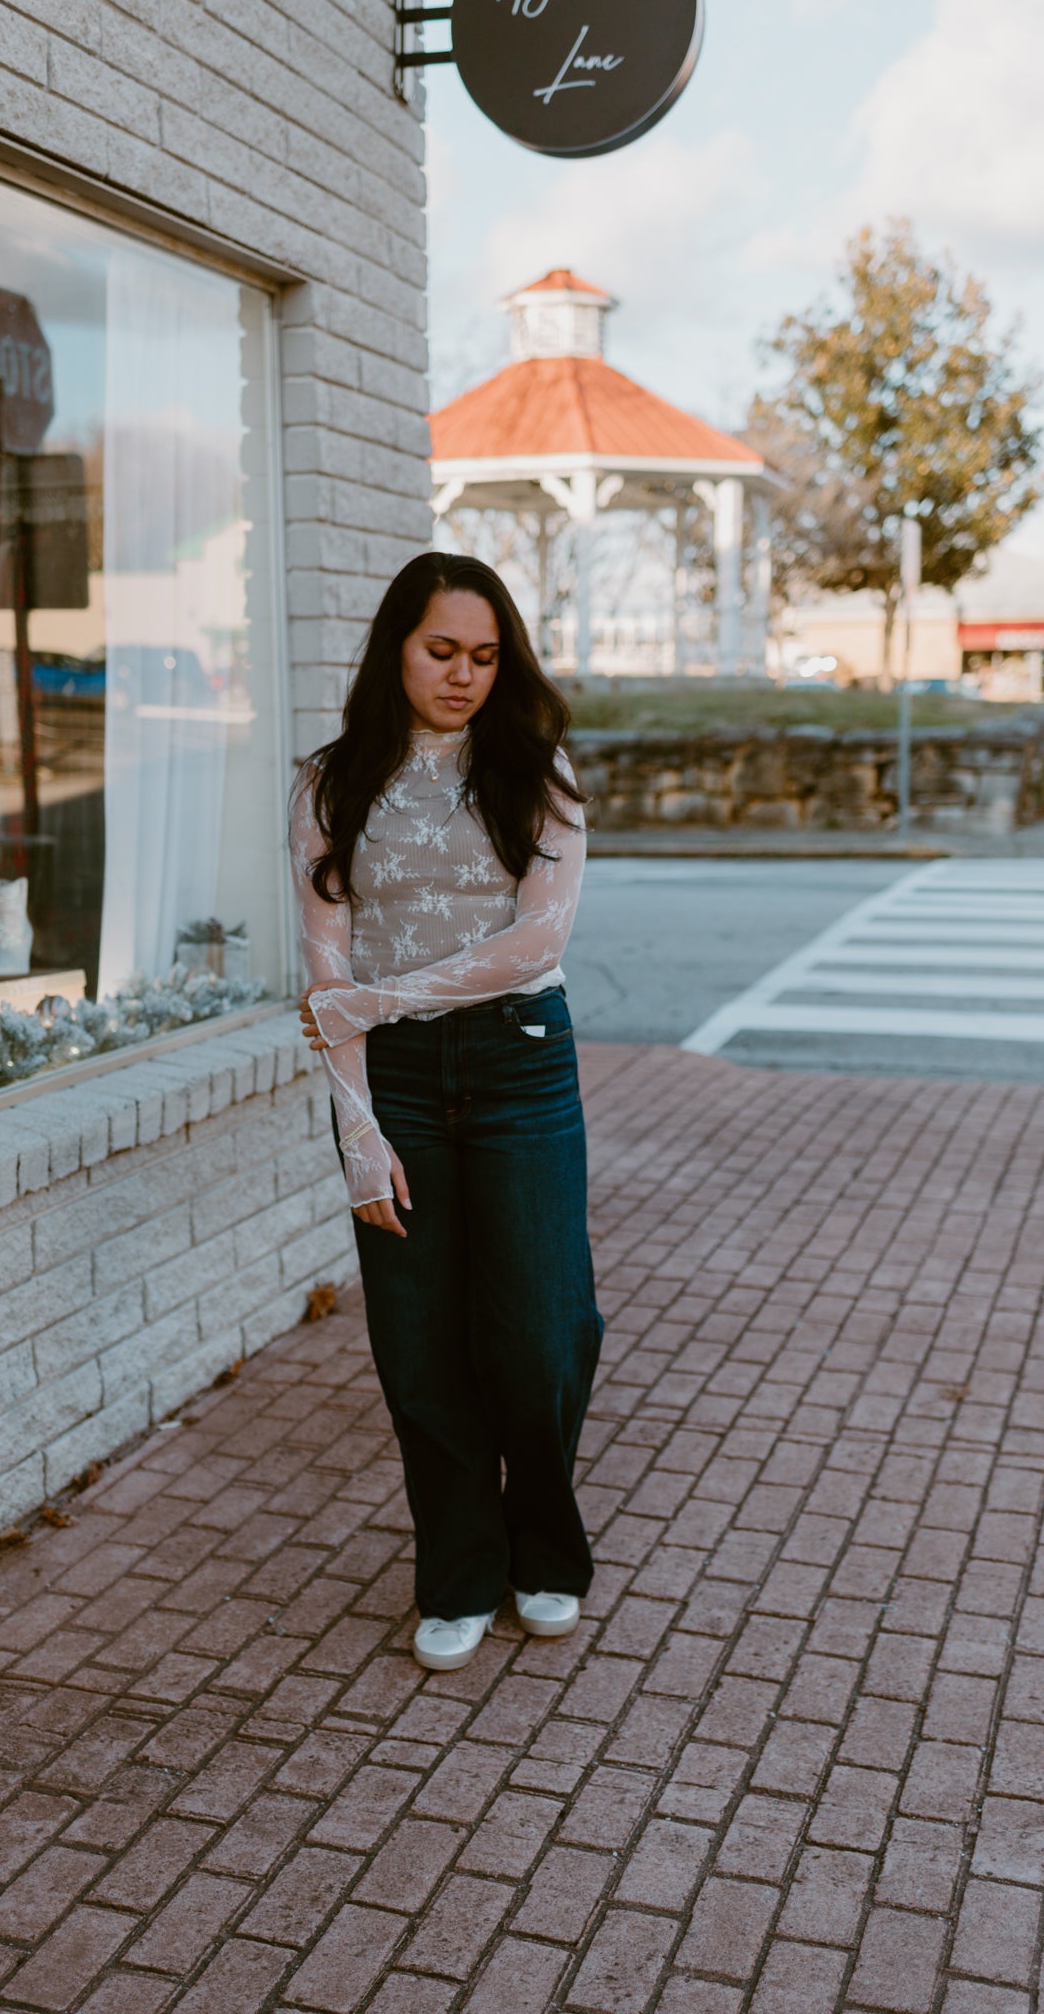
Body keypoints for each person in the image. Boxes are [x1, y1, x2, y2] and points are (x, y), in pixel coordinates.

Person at [290, 551, 603, 1672]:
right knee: (418, 1337)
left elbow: (538, 942)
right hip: (398, 1085)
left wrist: (374, 998)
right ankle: (460, 1570)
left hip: (520, 1064)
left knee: (540, 1326)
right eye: (441, 651)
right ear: (396, 649)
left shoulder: (537, 771)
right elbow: (323, 977)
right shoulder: (331, 783)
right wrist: (356, 1133)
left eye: (483, 655)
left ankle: (545, 1549)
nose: (463, 675)